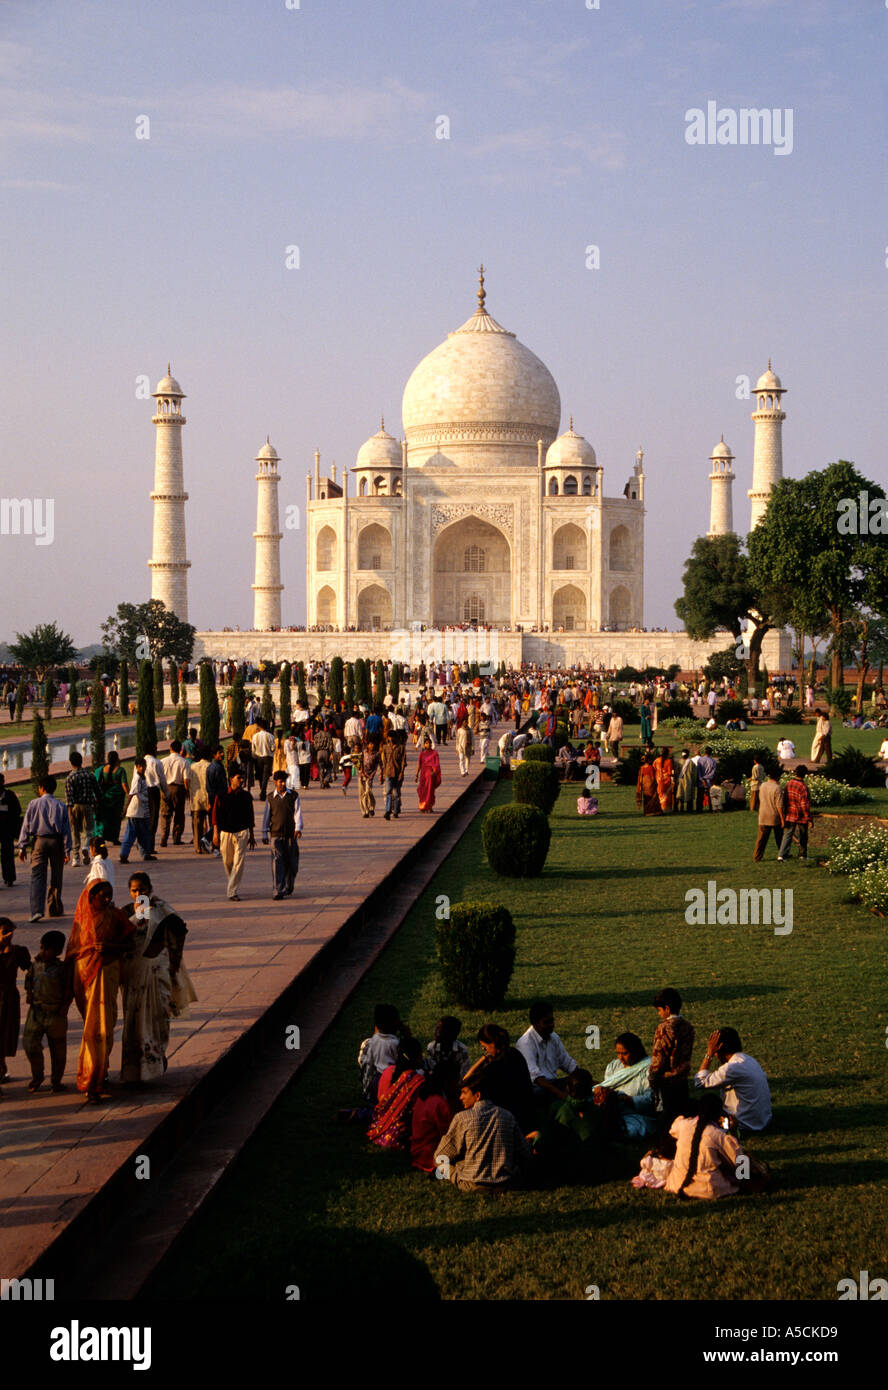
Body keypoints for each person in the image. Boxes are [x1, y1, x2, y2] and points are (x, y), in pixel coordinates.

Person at [65, 880, 135, 1102]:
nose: (107, 899)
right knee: (91, 1029)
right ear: (91, 896)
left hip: (108, 972)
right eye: (102, 896)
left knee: (104, 1028)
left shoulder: (115, 916)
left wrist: (111, 948)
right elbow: (72, 953)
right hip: (85, 978)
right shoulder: (81, 921)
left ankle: (98, 1075)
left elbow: (131, 943)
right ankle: (90, 1077)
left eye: (110, 895)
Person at [119, 873, 178, 1085]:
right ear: (129, 892)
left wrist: (173, 965)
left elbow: (177, 934)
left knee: (158, 1017)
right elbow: (119, 939)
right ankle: (135, 1072)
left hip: (156, 970)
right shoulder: (125, 913)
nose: (138, 894)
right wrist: (136, 917)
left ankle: (156, 1060)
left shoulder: (162, 909)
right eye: (134, 890)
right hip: (134, 974)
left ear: (150, 889)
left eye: (142, 889)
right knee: (134, 1022)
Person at [434, 1074, 532, 1192]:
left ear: (477, 1095)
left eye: (464, 1093)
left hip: (472, 1184)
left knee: (440, 1161)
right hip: (505, 1183)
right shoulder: (507, 1116)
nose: (460, 1097)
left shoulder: (462, 1118)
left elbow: (440, 1156)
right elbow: (526, 1153)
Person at [664, 1096, 750, 1199]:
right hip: (708, 1189)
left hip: (676, 1184)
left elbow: (673, 1130)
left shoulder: (683, 1125)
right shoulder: (717, 1135)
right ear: (718, 1115)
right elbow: (741, 1161)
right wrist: (734, 1134)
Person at [694, 1027, 772, 1132]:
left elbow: (700, 1082)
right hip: (761, 1120)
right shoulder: (749, 1060)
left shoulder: (733, 1067)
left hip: (743, 1123)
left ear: (719, 1048)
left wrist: (709, 1054)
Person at [18, 776, 72, 922]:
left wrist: (22, 846)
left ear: (41, 788)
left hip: (39, 842)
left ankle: (36, 910)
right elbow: (67, 830)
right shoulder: (60, 806)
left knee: (37, 876)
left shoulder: (33, 804)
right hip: (57, 841)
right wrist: (68, 850)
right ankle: (53, 908)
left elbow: (26, 825)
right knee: (56, 876)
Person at [462, 1022, 535, 1132]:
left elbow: (466, 1080)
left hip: (504, 1119)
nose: (486, 1052)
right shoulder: (515, 1054)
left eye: (484, 1048)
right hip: (527, 1112)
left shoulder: (492, 1068)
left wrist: (483, 1059)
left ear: (492, 1044)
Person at [23, 929, 69, 1092]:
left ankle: (56, 1080)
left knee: (58, 1051)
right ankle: (38, 1076)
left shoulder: (62, 969)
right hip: (36, 1012)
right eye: (41, 948)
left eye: (46, 949)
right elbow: (28, 981)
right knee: (29, 1043)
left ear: (57, 951)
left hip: (56, 1014)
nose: (42, 951)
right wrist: (29, 993)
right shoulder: (36, 966)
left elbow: (68, 990)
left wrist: (64, 1007)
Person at [593, 1032, 657, 1139]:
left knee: (632, 1129)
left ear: (636, 1051)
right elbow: (606, 1086)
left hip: (635, 1115)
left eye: (625, 1053)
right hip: (611, 1110)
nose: (620, 1058)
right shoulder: (614, 1066)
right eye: (618, 1053)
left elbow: (651, 1099)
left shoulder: (648, 1069)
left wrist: (626, 1099)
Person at [366, 1035, 426, 1150]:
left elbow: (380, 1099)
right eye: (420, 1054)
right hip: (399, 1132)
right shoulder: (417, 1082)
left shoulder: (388, 1071)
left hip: (379, 1123)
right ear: (415, 1057)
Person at [648, 987, 695, 1130]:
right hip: (682, 1077)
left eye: (659, 1010)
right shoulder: (688, 1026)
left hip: (667, 1079)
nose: (659, 1013)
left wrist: (653, 1076)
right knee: (682, 1111)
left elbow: (659, 1056)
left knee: (668, 1114)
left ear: (667, 1009)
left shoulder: (664, 1028)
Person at [516, 1000, 578, 1106]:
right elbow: (537, 1079)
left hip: (553, 1084)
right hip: (536, 1088)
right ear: (535, 1023)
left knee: (578, 1085)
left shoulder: (554, 1037)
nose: (551, 1025)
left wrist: (584, 1080)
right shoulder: (525, 1043)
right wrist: (561, 1095)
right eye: (546, 1022)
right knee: (540, 1093)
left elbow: (567, 1063)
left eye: (552, 1021)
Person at [212, 768, 256, 901]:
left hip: (242, 832)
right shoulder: (221, 795)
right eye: (239, 778)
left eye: (243, 778)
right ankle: (233, 883)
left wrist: (252, 835)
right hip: (225, 832)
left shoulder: (246, 796)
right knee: (227, 861)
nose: (241, 781)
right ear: (231, 779)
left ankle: (232, 891)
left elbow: (250, 816)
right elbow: (215, 815)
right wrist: (215, 833)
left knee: (238, 862)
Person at [262, 769, 303, 899]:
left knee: (292, 863)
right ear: (275, 782)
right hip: (275, 834)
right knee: (277, 862)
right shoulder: (270, 798)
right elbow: (266, 817)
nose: (283, 784)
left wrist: (298, 828)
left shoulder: (293, 796)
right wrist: (264, 833)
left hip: (291, 835)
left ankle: (289, 886)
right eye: (280, 782)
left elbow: (297, 813)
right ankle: (278, 890)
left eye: (284, 781)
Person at [0, 919, 30, 1085]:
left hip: (9, 998)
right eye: (4, 932)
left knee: (5, 1033)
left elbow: (30, 969)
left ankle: (2, 1066)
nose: (8, 935)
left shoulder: (17, 952)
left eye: (10, 932)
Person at [410, 1063, 456, 1173]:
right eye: (455, 1080)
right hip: (430, 1155)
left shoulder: (423, 1097)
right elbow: (447, 1135)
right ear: (447, 1081)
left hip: (416, 1150)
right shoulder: (440, 1103)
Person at [357, 1003, 401, 1106]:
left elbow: (369, 1062)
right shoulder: (395, 1043)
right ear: (392, 1023)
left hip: (376, 1079)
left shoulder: (374, 1040)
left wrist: (366, 1086)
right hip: (390, 1080)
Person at [119, 758, 156, 864]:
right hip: (136, 812)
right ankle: (123, 854)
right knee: (130, 834)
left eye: (144, 766)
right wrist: (125, 810)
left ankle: (145, 854)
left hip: (143, 812)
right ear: (136, 767)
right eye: (141, 766)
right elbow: (131, 794)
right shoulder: (137, 778)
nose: (143, 768)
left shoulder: (142, 777)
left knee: (144, 834)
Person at [65, 751, 98, 868]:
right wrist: (96, 803)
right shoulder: (90, 775)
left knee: (74, 832)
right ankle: (85, 847)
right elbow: (97, 792)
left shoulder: (70, 777)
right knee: (88, 830)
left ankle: (76, 858)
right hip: (87, 805)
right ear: (81, 761)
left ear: (71, 763)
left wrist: (70, 814)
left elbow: (69, 799)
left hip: (74, 807)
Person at [778, 764, 812, 862]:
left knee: (787, 834)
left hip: (790, 813)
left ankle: (781, 855)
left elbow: (784, 798)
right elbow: (804, 805)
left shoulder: (789, 783)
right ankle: (802, 854)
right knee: (803, 835)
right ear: (805, 774)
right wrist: (809, 818)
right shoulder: (803, 787)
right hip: (801, 815)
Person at [160, 739, 189, 846]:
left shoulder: (163, 761)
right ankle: (176, 838)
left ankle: (164, 837)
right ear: (180, 749)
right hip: (178, 789)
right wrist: (188, 792)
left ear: (170, 749)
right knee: (179, 814)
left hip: (165, 788)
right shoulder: (183, 761)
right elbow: (186, 779)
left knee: (165, 814)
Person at [95, 750, 128, 845]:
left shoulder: (102, 769)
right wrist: (129, 794)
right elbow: (124, 784)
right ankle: (114, 838)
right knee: (116, 818)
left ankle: (102, 836)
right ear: (117, 759)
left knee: (105, 818)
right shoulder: (120, 770)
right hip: (117, 799)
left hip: (105, 798)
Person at [753, 768, 784, 861]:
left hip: (763, 815)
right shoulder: (777, 788)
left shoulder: (763, 785)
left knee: (761, 839)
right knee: (779, 837)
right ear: (778, 777)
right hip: (774, 816)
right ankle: (782, 853)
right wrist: (782, 819)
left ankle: (757, 856)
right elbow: (779, 805)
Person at [0, 774, 23, 887]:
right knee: (6, 853)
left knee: (7, 854)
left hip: (6, 829)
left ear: (3, 782)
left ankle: (9, 878)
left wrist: (8, 817)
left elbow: (17, 810)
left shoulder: (9, 795)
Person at [188, 747, 211, 853]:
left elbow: (188, 783)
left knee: (197, 824)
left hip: (196, 799)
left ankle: (197, 847)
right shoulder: (210, 766)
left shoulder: (192, 767)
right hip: (208, 798)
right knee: (212, 823)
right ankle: (208, 842)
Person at [380, 729, 407, 820]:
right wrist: (382, 773)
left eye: (392, 738)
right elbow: (384, 761)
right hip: (388, 772)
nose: (391, 740)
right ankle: (388, 810)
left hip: (397, 772)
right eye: (389, 738)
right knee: (388, 792)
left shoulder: (401, 748)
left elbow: (403, 761)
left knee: (396, 793)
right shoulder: (385, 747)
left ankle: (395, 811)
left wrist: (402, 773)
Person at [415, 732, 442, 813]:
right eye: (427, 743)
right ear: (424, 745)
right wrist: (416, 775)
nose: (429, 744)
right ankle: (423, 805)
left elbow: (437, 764)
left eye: (430, 743)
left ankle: (429, 806)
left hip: (430, 775)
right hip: (423, 774)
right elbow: (419, 765)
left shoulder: (435, 753)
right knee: (422, 790)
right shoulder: (422, 754)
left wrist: (434, 772)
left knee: (430, 791)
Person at [251, 720, 275, 800]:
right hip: (268, 757)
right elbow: (273, 748)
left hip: (258, 758)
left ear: (260, 727)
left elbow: (253, 749)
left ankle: (262, 790)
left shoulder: (255, 736)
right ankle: (263, 792)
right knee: (265, 776)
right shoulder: (270, 736)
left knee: (260, 775)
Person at [358, 739, 380, 818]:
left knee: (368, 792)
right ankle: (365, 811)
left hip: (370, 775)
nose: (372, 745)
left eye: (373, 744)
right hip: (362, 774)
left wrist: (374, 775)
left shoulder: (376, 754)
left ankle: (371, 807)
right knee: (361, 793)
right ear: (367, 745)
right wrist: (362, 771)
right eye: (370, 744)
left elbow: (377, 765)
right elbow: (360, 762)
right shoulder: (364, 753)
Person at [675, 748, 697, 813]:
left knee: (680, 796)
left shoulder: (679, 762)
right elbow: (694, 774)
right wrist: (694, 781)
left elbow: (676, 773)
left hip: (681, 781)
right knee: (689, 796)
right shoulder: (691, 763)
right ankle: (689, 809)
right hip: (689, 782)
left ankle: (680, 809)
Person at [653, 747, 674, 813]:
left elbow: (653, 770)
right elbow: (670, 772)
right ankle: (666, 809)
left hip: (658, 781)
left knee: (660, 795)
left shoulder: (656, 760)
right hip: (667, 781)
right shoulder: (669, 761)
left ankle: (659, 808)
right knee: (667, 796)